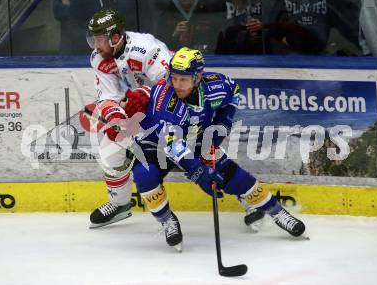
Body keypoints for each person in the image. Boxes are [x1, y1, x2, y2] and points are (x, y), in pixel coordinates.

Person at [131, 47, 306, 250]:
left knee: (234, 177)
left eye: (183, 79)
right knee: (145, 175)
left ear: (198, 77)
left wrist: (223, 122)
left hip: (196, 139)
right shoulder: (164, 103)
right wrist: (198, 171)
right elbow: (172, 146)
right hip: (156, 142)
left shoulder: (215, 85)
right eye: (174, 77)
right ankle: (167, 220)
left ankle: (277, 212)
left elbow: (234, 92)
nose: (177, 84)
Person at [85, 8, 173, 228]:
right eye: (93, 39)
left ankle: (249, 199)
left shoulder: (146, 48)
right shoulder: (99, 58)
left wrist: (143, 94)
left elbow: (175, 85)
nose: (96, 46)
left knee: (200, 147)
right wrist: (116, 116)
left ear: (115, 37)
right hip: (137, 110)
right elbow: (108, 97)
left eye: (100, 39)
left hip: (171, 109)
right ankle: (120, 204)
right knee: (109, 149)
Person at [154, 0, 226, 53]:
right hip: (174, 60)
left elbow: (218, 42)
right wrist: (174, 34)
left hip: (207, 59)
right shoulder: (166, 13)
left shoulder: (209, 10)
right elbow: (159, 46)